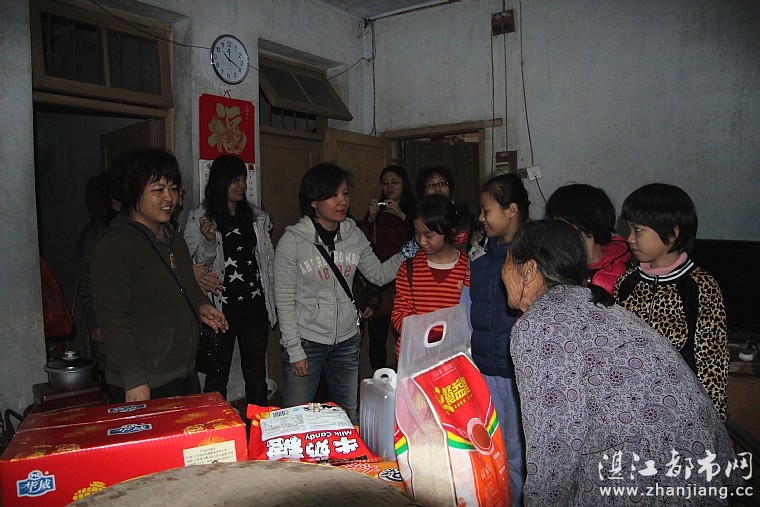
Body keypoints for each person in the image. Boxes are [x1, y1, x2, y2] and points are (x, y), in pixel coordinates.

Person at [503, 219, 741, 506]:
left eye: (506, 261)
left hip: (647, 471)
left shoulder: (541, 324)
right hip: (697, 459)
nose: (501, 272)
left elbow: (555, 443)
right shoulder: (597, 305)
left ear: (529, 270)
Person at [274, 162, 410, 423]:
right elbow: (284, 300)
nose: (342, 201)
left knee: (348, 416)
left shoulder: (353, 234)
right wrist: (294, 349)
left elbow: (378, 274)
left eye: (345, 193)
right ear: (313, 201)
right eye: (333, 195)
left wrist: (408, 251)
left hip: (347, 341)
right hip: (307, 341)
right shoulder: (292, 242)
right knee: (296, 417)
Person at [92, 149, 228, 403]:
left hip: (183, 373)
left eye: (173, 189)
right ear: (132, 192)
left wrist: (201, 305)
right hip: (144, 381)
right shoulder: (116, 245)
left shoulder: (172, 238)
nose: (169, 198)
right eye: (158, 190)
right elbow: (113, 320)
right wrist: (134, 380)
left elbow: (188, 286)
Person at [614, 183, 728, 420]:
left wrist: (712, 422)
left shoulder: (699, 286)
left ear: (673, 233)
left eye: (638, 230)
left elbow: (712, 362)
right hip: (633, 407)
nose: (630, 239)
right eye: (629, 229)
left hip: (682, 410)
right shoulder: (627, 283)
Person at [184, 155, 277, 407]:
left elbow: (268, 263)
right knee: (217, 377)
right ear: (220, 182)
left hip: (255, 307)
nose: (242, 185)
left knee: (256, 377)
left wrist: (274, 303)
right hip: (220, 310)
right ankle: (216, 426)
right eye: (235, 180)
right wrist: (209, 241)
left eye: (244, 179)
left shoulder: (256, 217)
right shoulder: (199, 218)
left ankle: (258, 425)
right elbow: (192, 266)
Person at [469, 173, 529, 507]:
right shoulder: (480, 258)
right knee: (488, 447)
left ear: (511, 210)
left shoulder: (532, 259)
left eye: (486, 210)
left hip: (517, 372)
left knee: (517, 452)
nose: (481, 217)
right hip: (483, 368)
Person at [392, 195, 470, 359]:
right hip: (414, 358)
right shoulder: (409, 269)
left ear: (450, 231)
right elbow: (400, 314)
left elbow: (470, 316)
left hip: (453, 357)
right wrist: (426, 337)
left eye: (428, 235)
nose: (421, 241)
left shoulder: (468, 268)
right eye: (417, 233)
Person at [363, 165, 416, 370]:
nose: (389, 187)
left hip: (407, 275)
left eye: (394, 182)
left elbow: (419, 237)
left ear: (404, 184)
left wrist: (402, 215)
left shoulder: (413, 210)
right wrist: (370, 218)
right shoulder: (378, 211)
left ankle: (404, 372)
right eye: (385, 183)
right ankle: (379, 374)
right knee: (378, 336)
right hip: (381, 278)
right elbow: (366, 239)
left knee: (406, 331)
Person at [544, 183, 632, 294]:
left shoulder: (626, 276)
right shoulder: (553, 268)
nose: (555, 231)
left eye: (560, 223)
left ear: (586, 223)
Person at [74, 173, 120, 377]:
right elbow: (87, 280)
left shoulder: (124, 227)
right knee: (110, 375)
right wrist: (95, 321)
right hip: (105, 319)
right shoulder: (95, 233)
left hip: (123, 318)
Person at [415, 166, 475, 253]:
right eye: (431, 185)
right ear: (423, 192)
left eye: (442, 183)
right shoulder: (418, 218)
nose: (437, 189)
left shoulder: (464, 215)